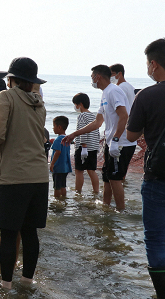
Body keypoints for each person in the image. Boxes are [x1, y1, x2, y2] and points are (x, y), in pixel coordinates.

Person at [0, 57, 48, 289]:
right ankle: (27, 282)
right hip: (39, 176)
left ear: (11, 80)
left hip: (15, 177)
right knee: (30, 233)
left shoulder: (5, 97)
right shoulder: (39, 102)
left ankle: (6, 286)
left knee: (9, 233)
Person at [62, 65, 136, 210]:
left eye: (92, 77)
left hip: (121, 143)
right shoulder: (105, 93)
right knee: (107, 177)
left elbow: (124, 115)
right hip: (111, 142)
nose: (92, 80)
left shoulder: (114, 91)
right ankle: (106, 207)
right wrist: (73, 134)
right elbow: (97, 122)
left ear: (98, 77)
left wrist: (115, 140)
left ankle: (120, 212)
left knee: (115, 178)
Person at [126, 38, 165, 299]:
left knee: (156, 236)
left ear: (153, 63)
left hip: (158, 177)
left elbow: (130, 135)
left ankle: (163, 298)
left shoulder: (148, 95)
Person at [72, 93, 100, 194]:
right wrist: (97, 147)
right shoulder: (94, 116)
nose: (75, 107)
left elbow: (83, 132)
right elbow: (97, 132)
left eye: (75, 104)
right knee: (91, 171)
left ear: (80, 104)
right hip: (93, 148)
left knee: (79, 171)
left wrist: (83, 146)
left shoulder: (82, 116)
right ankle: (96, 191)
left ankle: (78, 191)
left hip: (83, 148)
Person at [50, 116, 72, 199]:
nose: (53, 128)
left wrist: (52, 164)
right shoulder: (67, 138)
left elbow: (57, 152)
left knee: (56, 186)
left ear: (59, 127)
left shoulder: (58, 139)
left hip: (58, 167)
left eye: (54, 126)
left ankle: (57, 200)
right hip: (65, 166)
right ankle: (63, 198)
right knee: (63, 185)